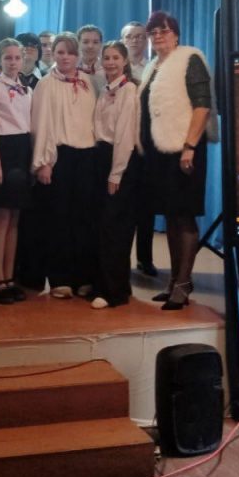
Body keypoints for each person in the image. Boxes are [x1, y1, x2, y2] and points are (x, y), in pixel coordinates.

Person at [140, 11, 215, 310]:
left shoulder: (190, 59)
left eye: (165, 30)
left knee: (184, 216)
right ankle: (174, 280)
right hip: (160, 152)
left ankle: (184, 282)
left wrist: (189, 146)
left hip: (184, 150)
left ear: (176, 33)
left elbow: (203, 106)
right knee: (171, 216)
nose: (159, 36)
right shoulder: (152, 66)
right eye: (154, 32)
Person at [31, 32, 97, 299]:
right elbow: (41, 125)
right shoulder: (46, 84)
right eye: (60, 52)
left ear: (78, 55)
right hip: (59, 157)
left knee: (84, 219)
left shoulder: (88, 82)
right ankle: (61, 278)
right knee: (58, 219)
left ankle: (83, 276)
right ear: (53, 54)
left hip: (87, 157)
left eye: (70, 52)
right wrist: (43, 162)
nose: (65, 57)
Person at [0, 38, 32, 304]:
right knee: (1, 218)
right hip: (3, 150)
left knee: (15, 219)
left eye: (17, 58)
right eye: (8, 58)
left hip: (22, 151)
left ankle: (10, 277)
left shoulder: (26, 89)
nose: (13, 62)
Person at [89, 42, 140, 309]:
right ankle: (112, 284)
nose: (110, 62)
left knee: (114, 228)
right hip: (101, 157)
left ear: (125, 61)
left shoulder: (128, 90)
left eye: (115, 58)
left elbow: (125, 136)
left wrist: (116, 174)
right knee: (103, 226)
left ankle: (112, 292)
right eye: (106, 58)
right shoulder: (105, 89)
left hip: (119, 161)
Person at [121, 20, 155, 276]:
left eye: (140, 36)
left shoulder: (154, 68)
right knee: (122, 206)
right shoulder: (113, 67)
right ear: (123, 40)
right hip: (121, 142)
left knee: (146, 205)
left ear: (146, 40)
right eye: (130, 36)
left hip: (146, 144)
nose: (135, 40)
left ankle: (145, 258)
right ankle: (120, 259)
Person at [77, 24, 106, 94]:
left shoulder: (107, 70)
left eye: (95, 42)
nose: (90, 46)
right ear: (78, 44)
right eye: (85, 42)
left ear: (101, 45)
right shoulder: (71, 68)